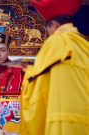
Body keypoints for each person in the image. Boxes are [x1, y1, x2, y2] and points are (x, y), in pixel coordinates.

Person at [20, 0, 89, 135]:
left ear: (54, 26)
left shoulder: (57, 41)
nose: (49, 34)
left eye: (48, 30)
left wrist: (28, 72)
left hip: (63, 120)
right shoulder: (83, 44)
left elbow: (37, 87)